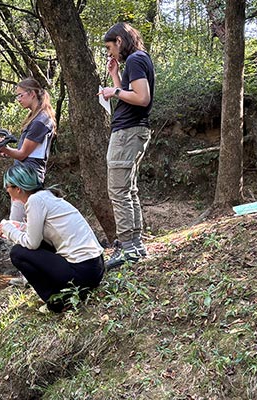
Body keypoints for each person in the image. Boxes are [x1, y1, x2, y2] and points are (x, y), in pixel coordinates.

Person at [0, 164, 105, 313]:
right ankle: (65, 294)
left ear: (18, 188)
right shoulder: (46, 196)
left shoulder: (35, 201)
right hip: (95, 268)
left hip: (82, 272)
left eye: (7, 186)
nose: (7, 190)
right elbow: (43, 231)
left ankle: (57, 302)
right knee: (36, 246)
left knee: (18, 253)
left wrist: (8, 230)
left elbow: (32, 243)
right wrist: (18, 227)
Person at [98, 22, 155, 269]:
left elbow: (142, 98)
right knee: (128, 189)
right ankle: (136, 245)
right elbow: (132, 92)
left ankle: (128, 249)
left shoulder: (135, 60)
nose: (110, 53)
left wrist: (113, 92)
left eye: (111, 47)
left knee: (118, 191)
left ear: (120, 41)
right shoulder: (139, 60)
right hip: (135, 131)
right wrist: (115, 76)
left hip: (127, 133)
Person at [0, 77, 57, 222]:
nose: (18, 99)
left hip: (27, 178)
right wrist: (7, 151)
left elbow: (23, 154)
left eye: (20, 95)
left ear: (32, 94)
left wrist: (4, 148)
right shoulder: (37, 117)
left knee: (17, 224)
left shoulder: (40, 121)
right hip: (25, 176)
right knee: (26, 224)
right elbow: (26, 153)